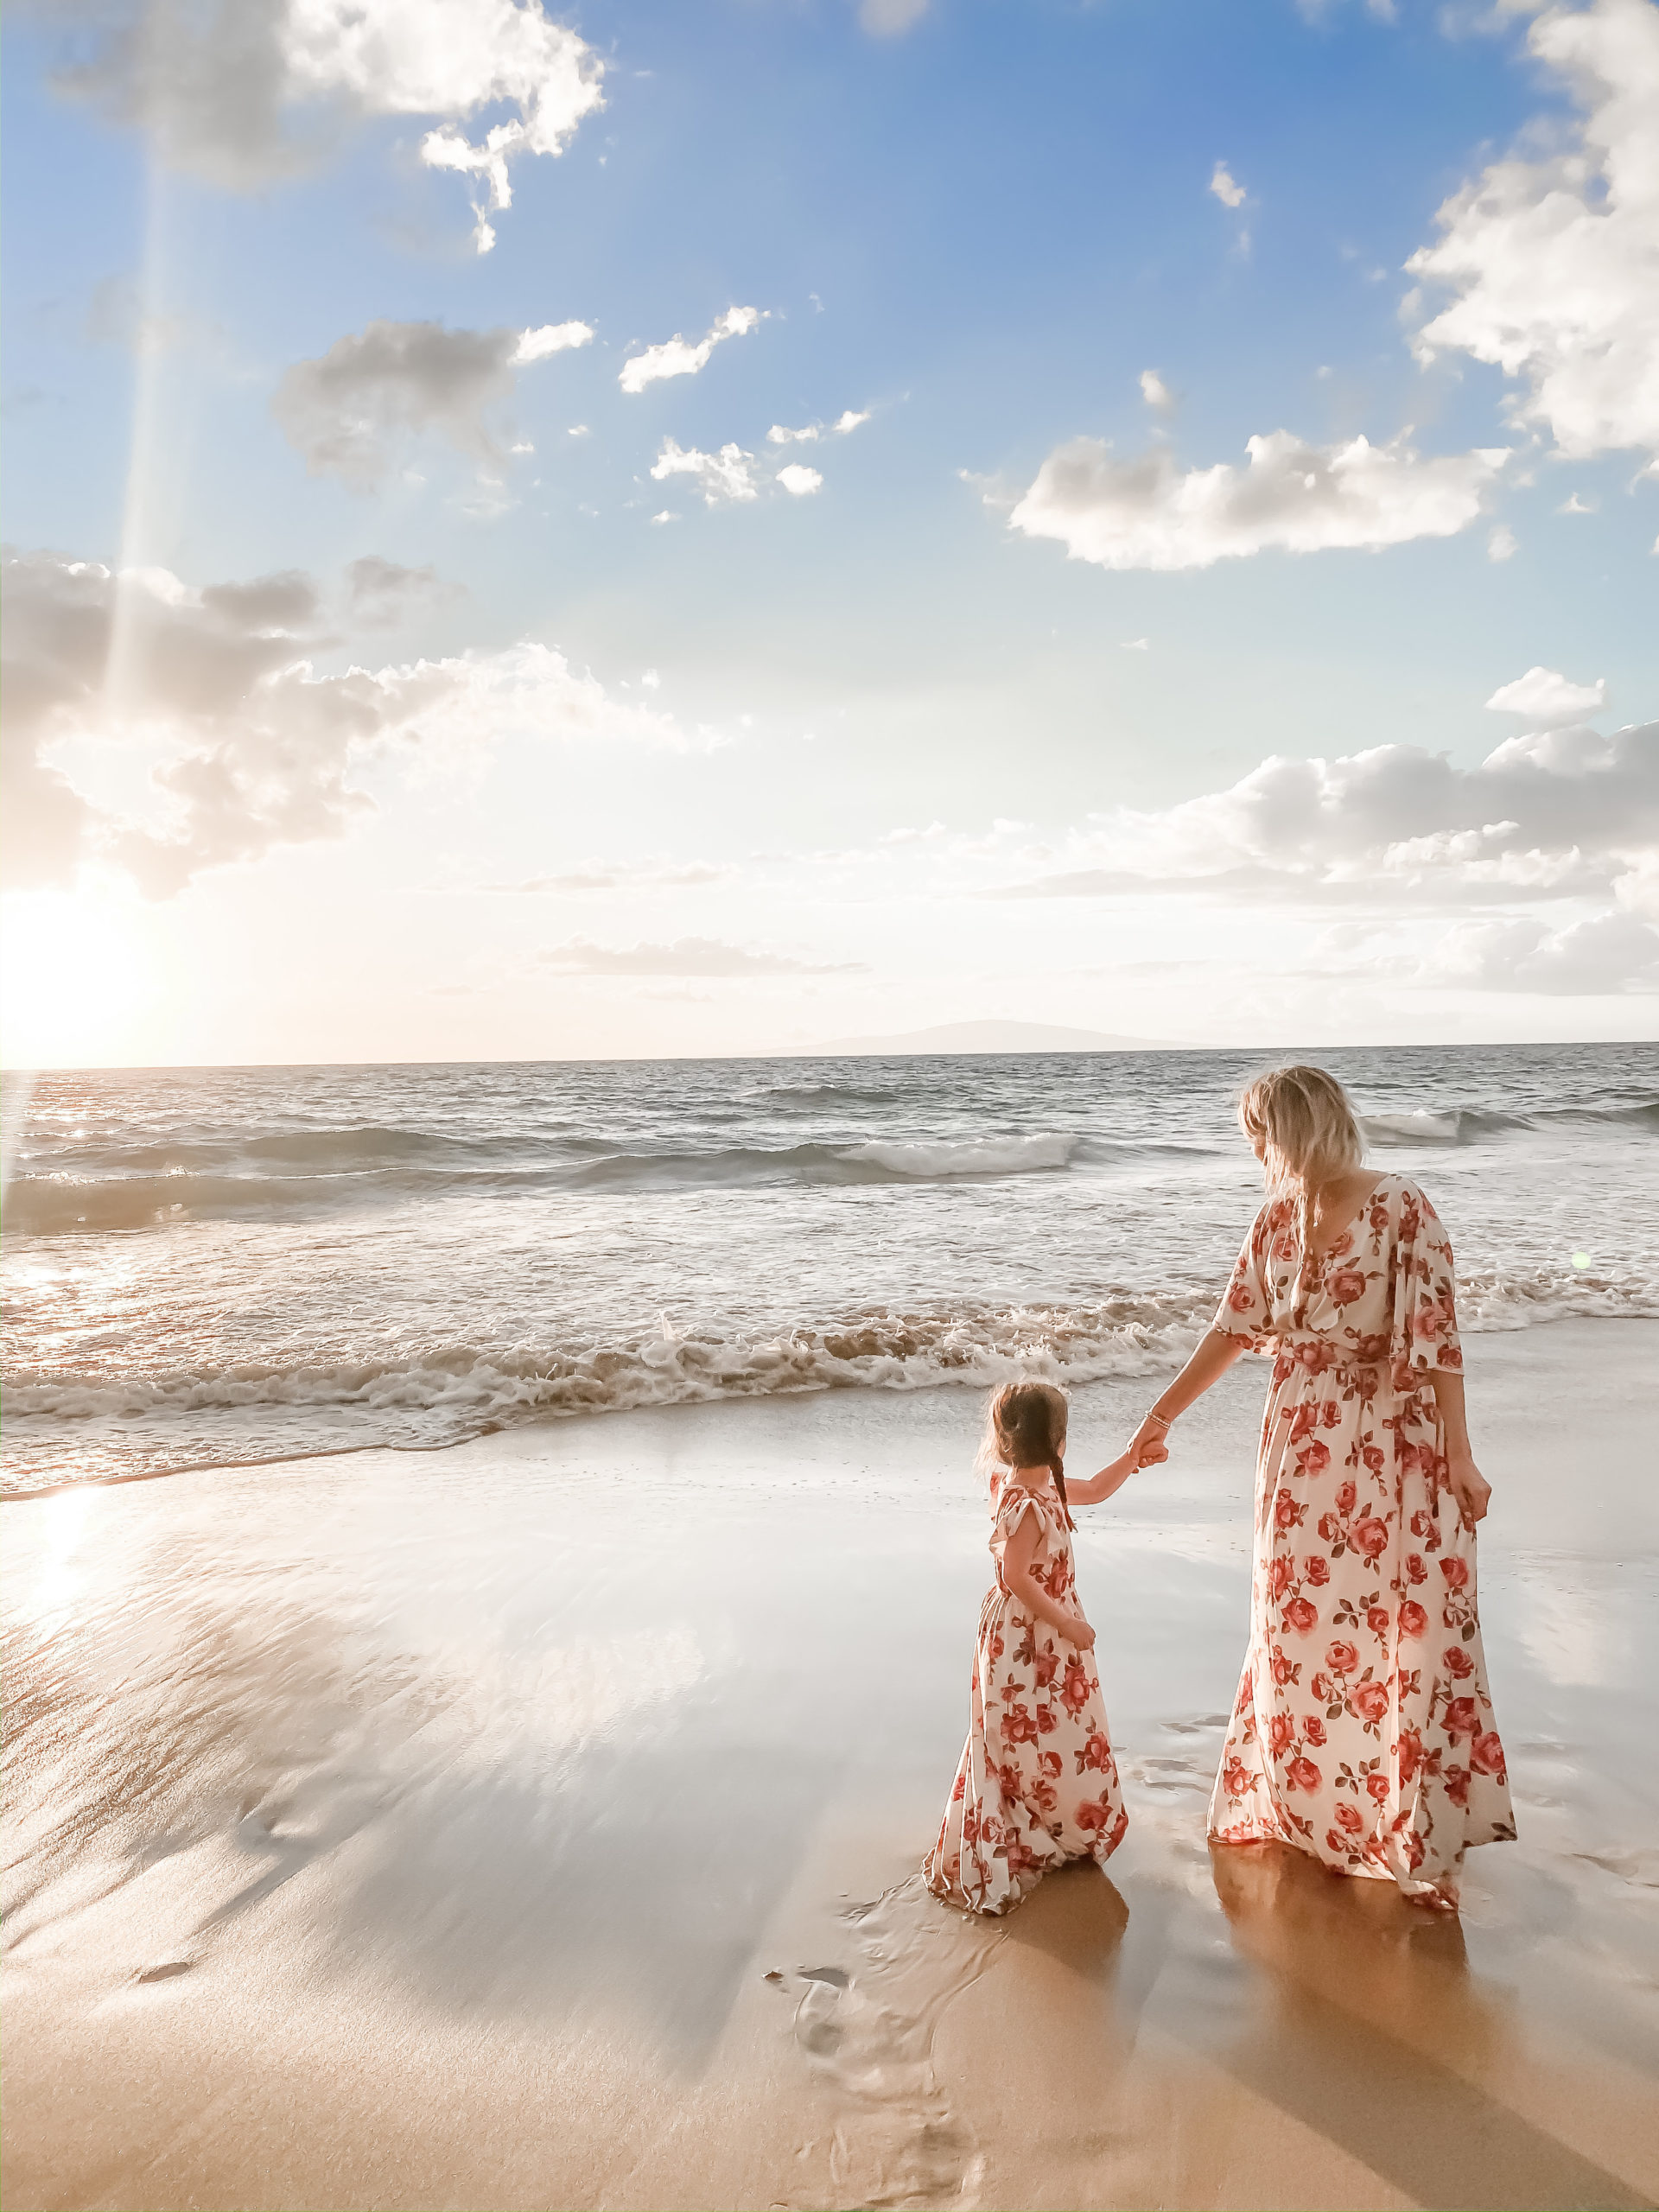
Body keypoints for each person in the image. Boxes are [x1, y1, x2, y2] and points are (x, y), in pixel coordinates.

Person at [1125, 1065, 1515, 1911]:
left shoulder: (1402, 1207)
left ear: (1297, 1128)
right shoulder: (1274, 1218)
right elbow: (1232, 1328)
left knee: (1394, 1630)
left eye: (1260, 1134)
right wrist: (1160, 1416)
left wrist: (1460, 1455)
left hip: (1388, 1446)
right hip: (1299, 1450)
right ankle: (1314, 1812)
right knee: (1295, 1625)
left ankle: (1406, 1827)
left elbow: (1437, 1341)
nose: (1255, 1151)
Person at [925, 1380, 1157, 1915]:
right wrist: (1069, 1624)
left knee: (1049, 1725)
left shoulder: (1027, 1483)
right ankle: (1036, 1826)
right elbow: (1015, 1577)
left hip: (1033, 1633)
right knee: (1030, 1728)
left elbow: (1097, 1489)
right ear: (1058, 1441)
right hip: (1028, 1635)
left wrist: (1133, 1457)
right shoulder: (1027, 1502)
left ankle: (1048, 1819)